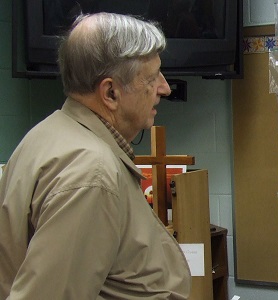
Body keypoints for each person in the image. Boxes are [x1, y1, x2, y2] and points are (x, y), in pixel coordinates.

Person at [0, 13, 191, 299]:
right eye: (151, 79)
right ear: (111, 92)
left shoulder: (48, 133)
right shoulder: (92, 173)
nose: (164, 88)